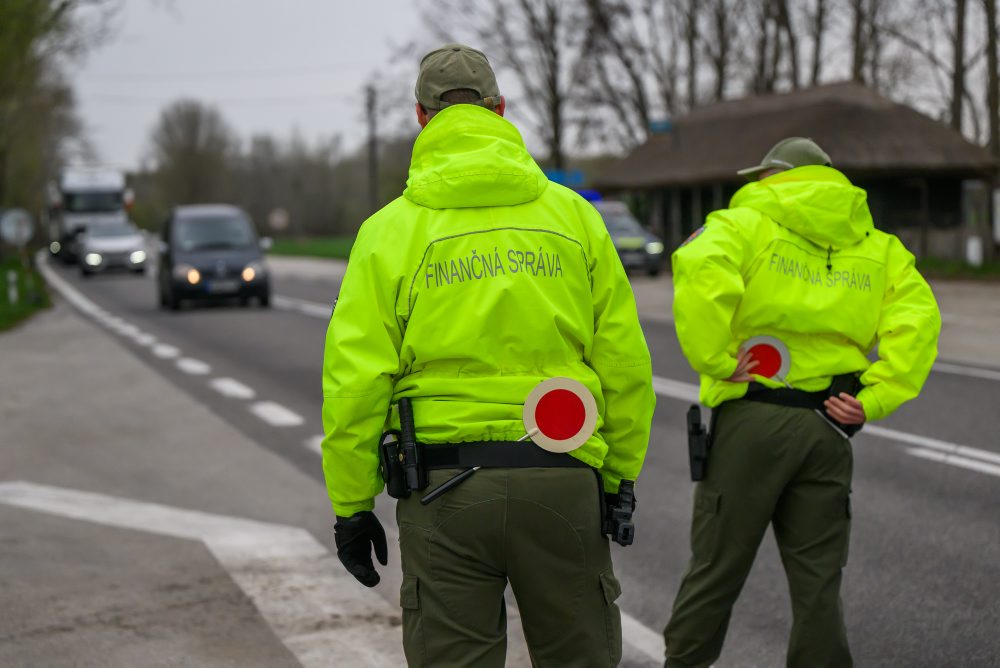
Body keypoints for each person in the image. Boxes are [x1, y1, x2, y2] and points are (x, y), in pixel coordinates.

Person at [321, 43, 655, 667]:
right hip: (561, 476)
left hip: (442, 490)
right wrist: (617, 480)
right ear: (501, 109)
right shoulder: (575, 218)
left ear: (421, 117)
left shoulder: (387, 232)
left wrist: (351, 505)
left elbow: (354, 381)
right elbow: (626, 365)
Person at [664, 137, 941, 667]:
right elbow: (919, 319)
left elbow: (699, 271)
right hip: (829, 425)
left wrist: (717, 359)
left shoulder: (740, 224)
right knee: (818, 581)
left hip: (753, 418)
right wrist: (878, 396)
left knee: (717, 568)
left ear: (776, 175)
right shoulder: (879, 246)